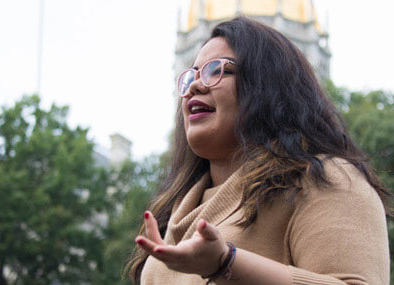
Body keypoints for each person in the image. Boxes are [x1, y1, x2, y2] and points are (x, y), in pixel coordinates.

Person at [127, 16, 391, 285]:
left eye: (217, 70)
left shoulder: (326, 178)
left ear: (269, 86)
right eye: (191, 75)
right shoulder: (172, 216)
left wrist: (226, 264)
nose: (195, 85)